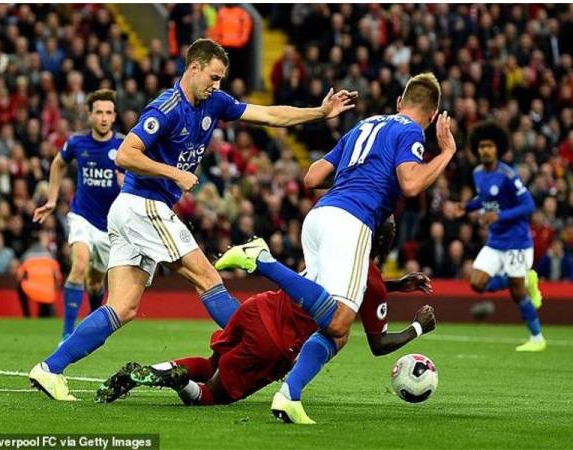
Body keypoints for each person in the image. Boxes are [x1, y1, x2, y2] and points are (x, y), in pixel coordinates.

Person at [29, 38, 357, 401]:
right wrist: (173, 173)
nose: (217, 85)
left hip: (129, 210)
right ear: (194, 68)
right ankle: (260, 349)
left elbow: (268, 115)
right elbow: (125, 154)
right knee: (207, 277)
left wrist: (318, 112)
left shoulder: (215, 101)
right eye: (213, 77)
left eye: (221, 79)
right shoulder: (166, 107)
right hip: (144, 205)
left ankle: (50, 369)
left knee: (122, 307)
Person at [221, 72, 454, 424]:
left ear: (398, 102)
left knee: (337, 331)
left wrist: (355, 172)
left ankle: (289, 396)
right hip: (353, 220)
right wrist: (447, 151)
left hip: (319, 217)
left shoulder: (364, 125)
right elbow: (411, 183)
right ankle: (261, 259)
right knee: (341, 318)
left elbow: (312, 177)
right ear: (434, 115)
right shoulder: (410, 131)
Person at [96, 222, 436, 411]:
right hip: (276, 342)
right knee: (215, 395)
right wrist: (419, 326)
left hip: (258, 307)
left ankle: (156, 370)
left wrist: (395, 285)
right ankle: (181, 381)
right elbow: (378, 342)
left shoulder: (332, 248)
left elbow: (353, 286)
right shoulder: (369, 278)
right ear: (386, 245)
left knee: (214, 363)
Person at [32, 89, 125, 341]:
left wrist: (126, 182)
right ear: (90, 115)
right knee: (79, 265)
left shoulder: (125, 146)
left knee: (95, 284)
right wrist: (52, 199)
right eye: (99, 112)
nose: (104, 118)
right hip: (81, 216)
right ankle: (67, 334)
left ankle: (94, 327)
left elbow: (140, 178)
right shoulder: (77, 142)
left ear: (114, 116)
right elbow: (58, 163)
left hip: (110, 226)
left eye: (108, 112)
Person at [449, 120, 545, 352]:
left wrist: (499, 216)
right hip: (496, 241)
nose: (485, 150)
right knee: (477, 283)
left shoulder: (508, 174)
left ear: (498, 148)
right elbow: (484, 199)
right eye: (482, 146)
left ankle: (537, 338)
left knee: (517, 292)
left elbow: (528, 205)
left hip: (518, 242)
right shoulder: (478, 173)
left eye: (490, 146)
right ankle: (524, 278)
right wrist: (468, 207)